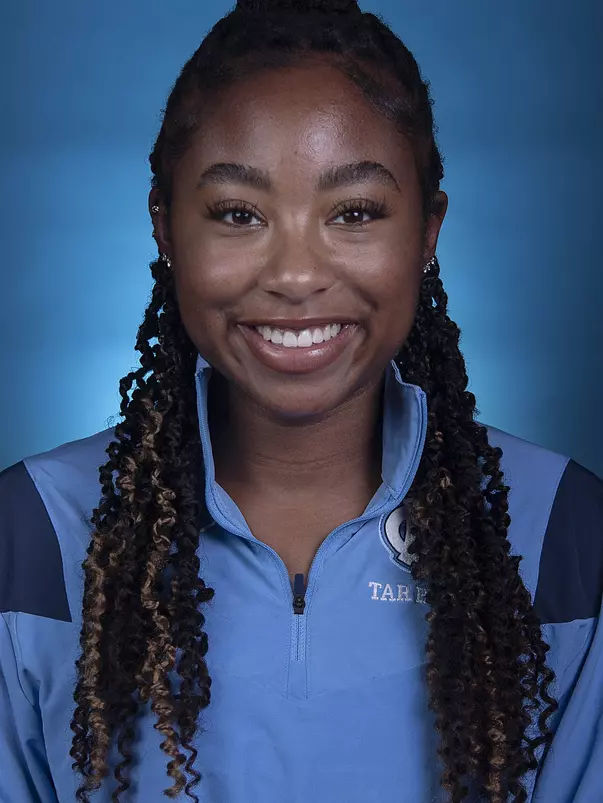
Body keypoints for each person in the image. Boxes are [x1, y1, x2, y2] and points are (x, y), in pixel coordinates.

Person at [1, 0, 602, 801]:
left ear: (426, 233)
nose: (293, 273)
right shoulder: (34, 534)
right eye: (237, 214)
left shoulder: (558, 528)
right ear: (165, 231)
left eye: (353, 212)